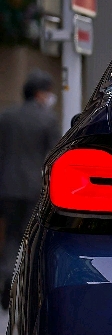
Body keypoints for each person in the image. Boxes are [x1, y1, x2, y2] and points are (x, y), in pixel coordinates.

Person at [0, 71, 60, 299]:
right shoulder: (47, 119)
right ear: (40, 93)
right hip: (34, 188)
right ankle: (22, 285)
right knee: (30, 237)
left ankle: (6, 277)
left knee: (11, 236)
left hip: (7, 187)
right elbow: (54, 155)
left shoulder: (6, 117)